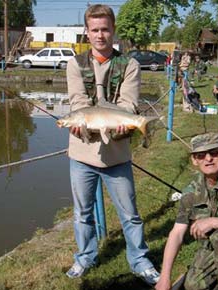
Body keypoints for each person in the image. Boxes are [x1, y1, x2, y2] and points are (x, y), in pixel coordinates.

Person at [64, 4, 160, 286]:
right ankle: (85, 257)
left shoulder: (129, 65)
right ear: (87, 32)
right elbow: (78, 104)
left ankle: (139, 260)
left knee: (130, 214)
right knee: (82, 213)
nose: (100, 35)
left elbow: (129, 103)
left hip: (117, 157)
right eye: (94, 30)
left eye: (105, 29)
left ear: (113, 30)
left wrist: (124, 123)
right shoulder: (74, 64)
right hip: (81, 155)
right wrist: (84, 121)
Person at [155, 132, 218, 290]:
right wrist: (164, 277)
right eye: (201, 155)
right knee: (193, 285)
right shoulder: (191, 191)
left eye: (214, 153)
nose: (208, 159)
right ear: (194, 160)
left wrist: (214, 221)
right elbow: (176, 233)